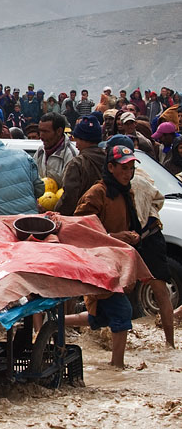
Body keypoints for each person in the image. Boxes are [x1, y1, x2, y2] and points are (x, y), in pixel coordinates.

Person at [68, 145, 142, 365]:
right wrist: (113, 236)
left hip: (116, 262)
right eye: (124, 168)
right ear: (110, 167)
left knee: (98, 317)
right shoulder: (97, 193)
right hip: (98, 263)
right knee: (123, 312)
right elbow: (79, 229)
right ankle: (117, 366)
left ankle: (54, 324)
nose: (128, 173)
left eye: (131, 168)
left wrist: (131, 235)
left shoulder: (126, 192)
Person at [55, 115, 105, 215]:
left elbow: (69, 197)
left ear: (83, 139)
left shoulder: (77, 164)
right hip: (105, 216)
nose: (76, 144)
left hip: (82, 217)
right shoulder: (109, 160)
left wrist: (56, 212)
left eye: (77, 139)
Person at [33, 112, 78, 188]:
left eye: (45, 132)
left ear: (59, 131)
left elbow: (71, 187)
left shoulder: (71, 155)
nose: (41, 136)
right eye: (40, 131)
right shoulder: (40, 151)